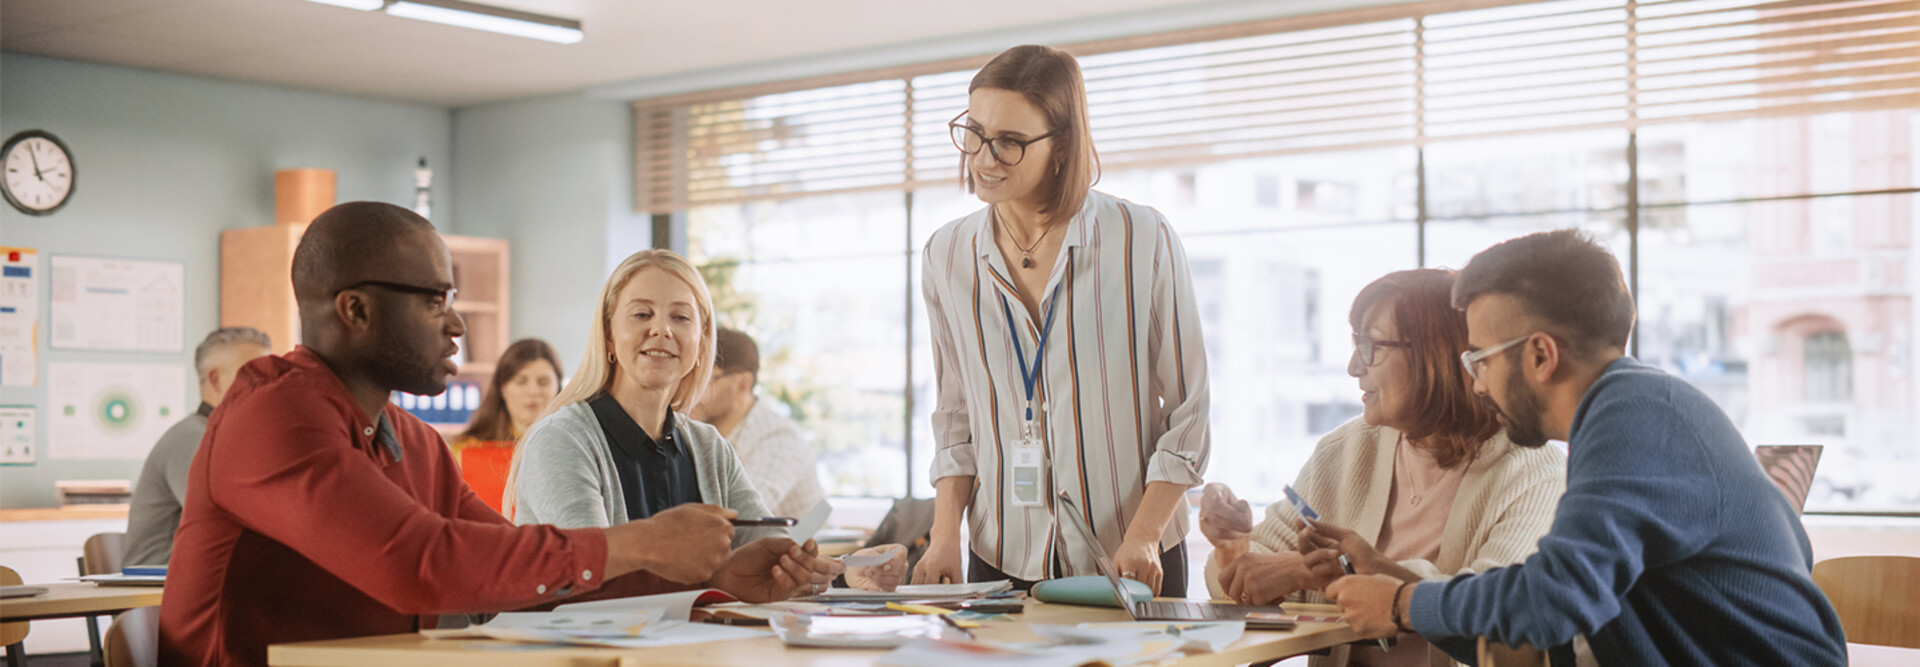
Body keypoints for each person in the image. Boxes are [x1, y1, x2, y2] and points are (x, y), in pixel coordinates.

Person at [159, 202, 785, 666]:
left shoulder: (414, 440)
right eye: (434, 299)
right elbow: (420, 562)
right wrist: (642, 542)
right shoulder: (273, 415)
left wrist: (718, 582)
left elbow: (523, 571)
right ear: (355, 310)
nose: (457, 322)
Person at [1326, 230, 1849, 665]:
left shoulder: (1637, 416)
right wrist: (1394, 581)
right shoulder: (1637, 409)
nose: (1479, 385)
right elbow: (1548, 615)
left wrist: (1402, 604)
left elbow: (1555, 601)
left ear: (1539, 356)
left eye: (1480, 359)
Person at [912, 45, 1211, 597]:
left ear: (1062, 147)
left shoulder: (1140, 238)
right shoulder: (945, 254)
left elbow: (1190, 413)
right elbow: (955, 414)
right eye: (973, 132)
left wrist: (1145, 533)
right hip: (1000, 556)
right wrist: (943, 536)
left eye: (1009, 141)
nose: (982, 158)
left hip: (1130, 557)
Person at [1197, 269, 1564, 667]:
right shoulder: (1346, 450)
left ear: (1435, 355)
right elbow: (1239, 587)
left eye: (1371, 345)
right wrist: (1233, 549)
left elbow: (1496, 610)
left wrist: (1326, 572)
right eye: (1356, 344)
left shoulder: (1532, 471)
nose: (1354, 366)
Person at [506, 249, 848, 598]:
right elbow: (588, 579)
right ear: (609, 336)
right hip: (584, 650)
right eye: (641, 314)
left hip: (690, 650)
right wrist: (717, 579)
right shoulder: (562, 440)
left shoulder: (709, 447)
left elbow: (770, 554)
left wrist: (842, 572)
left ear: (701, 343)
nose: (661, 329)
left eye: (681, 318)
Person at [122, 327, 272, 566]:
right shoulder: (193, 438)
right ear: (215, 379)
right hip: (158, 592)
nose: (268, 387)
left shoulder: (227, 438)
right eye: (255, 375)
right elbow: (230, 522)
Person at [688, 327, 826, 520]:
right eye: (691, 376)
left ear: (743, 384)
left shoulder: (779, 438)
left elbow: (740, 518)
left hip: (814, 547)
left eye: (707, 379)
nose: (693, 391)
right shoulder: (701, 435)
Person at [451, 338, 563, 515]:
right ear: (502, 388)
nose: (533, 391)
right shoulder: (464, 450)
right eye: (521, 381)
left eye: (543, 382)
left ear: (558, 388)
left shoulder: (570, 449)